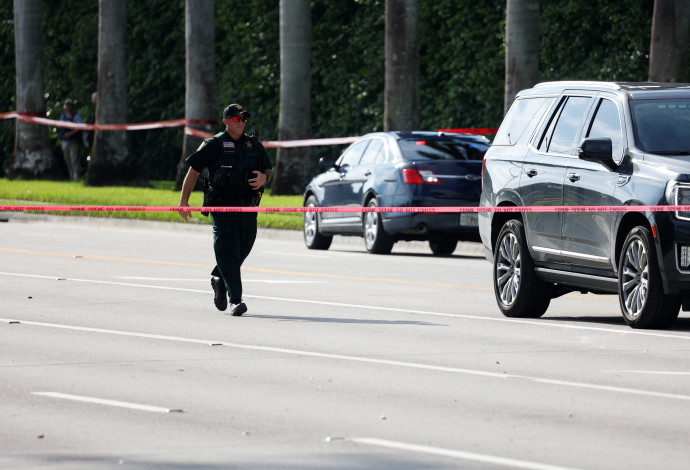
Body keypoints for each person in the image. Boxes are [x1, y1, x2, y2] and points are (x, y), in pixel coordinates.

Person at [178, 104, 272, 316]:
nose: (241, 123)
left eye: (244, 119)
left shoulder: (253, 144)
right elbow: (193, 171)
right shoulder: (214, 144)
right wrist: (184, 201)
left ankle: (219, 278)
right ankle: (236, 300)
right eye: (237, 119)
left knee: (244, 246)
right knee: (228, 250)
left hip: (248, 207)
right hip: (221, 206)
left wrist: (265, 177)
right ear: (226, 121)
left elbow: (268, 168)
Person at [58, 98, 84, 180]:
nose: (68, 107)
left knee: (74, 160)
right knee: (68, 160)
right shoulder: (63, 117)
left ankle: (76, 177)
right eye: (66, 105)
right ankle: (71, 176)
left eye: (69, 105)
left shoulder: (76, 116)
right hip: (65, 142)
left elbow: (80, 127)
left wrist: (70, 134)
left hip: (74, 141)